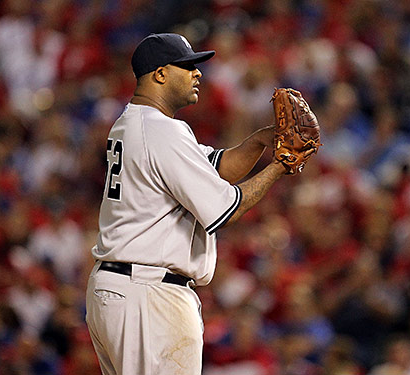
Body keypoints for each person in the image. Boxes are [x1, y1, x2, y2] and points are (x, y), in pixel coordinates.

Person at [85, 33, 311, 375]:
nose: (198, 73)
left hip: (121, 290)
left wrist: (264, 139)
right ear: (160, 74)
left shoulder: (133, 123)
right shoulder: (162, 130)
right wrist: (281, 165)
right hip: (149, 296)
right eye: (187, 66)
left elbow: (219, 166)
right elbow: (226, 210)